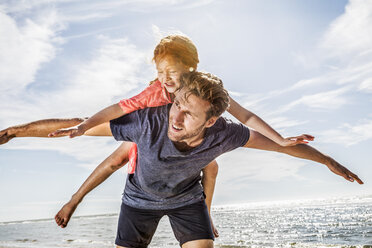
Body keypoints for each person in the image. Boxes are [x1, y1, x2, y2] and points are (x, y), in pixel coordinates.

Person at [0, 35, 313, 237]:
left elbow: (243, 115)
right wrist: (84, 127)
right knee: (104, 151)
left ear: (190, 69)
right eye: (161, 71)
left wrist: (281, 138)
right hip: (146, 137)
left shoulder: (201, 87)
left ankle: (205, 218)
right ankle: (20, 137)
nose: (166, 79)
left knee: (212, 166)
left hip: (178, 141)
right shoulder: (154, 90)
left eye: (172, 72)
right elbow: (115, 109)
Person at [57, 71, 362, 248]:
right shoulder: (149, 122)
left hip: (186, 201)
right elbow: (84, 128)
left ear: (212, 120)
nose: (175, 117)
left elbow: (281, 146)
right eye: (176, 104)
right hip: (139, 201)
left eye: (189, 113)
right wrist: (20, 131)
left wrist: (326, 160)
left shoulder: (226, 133)